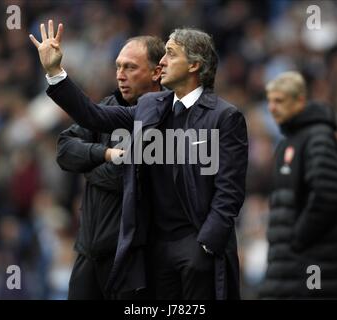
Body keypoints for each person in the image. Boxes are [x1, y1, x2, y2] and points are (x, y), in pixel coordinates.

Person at [29, 20, 248, 300]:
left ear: (194, 65)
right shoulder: (150, 107)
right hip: (156, 250)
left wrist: (205, 244)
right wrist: (55, 72)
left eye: (171, 54)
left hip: (195, 246)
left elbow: (229, 190)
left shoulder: (225, 116)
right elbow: (93, 116)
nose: (163, 62)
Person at [55, 36, 165, 299]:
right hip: (87, 255)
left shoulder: (165, 117)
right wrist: (103, 154)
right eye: (118, 67)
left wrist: (88, 168)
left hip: (133, 261)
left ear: (156, 72)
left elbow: (127, 177)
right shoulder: (106, 107)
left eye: (130, 67)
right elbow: (64, 149)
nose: (120, 75)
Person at [260, 71, 337, 299]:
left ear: (300, 100)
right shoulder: (288, 142)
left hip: (313, 266)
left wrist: (298, 238)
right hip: (291, 269)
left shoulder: (318, 136)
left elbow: (329, 194)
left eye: (279, 101)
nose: (272, 108)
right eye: (270, 101)